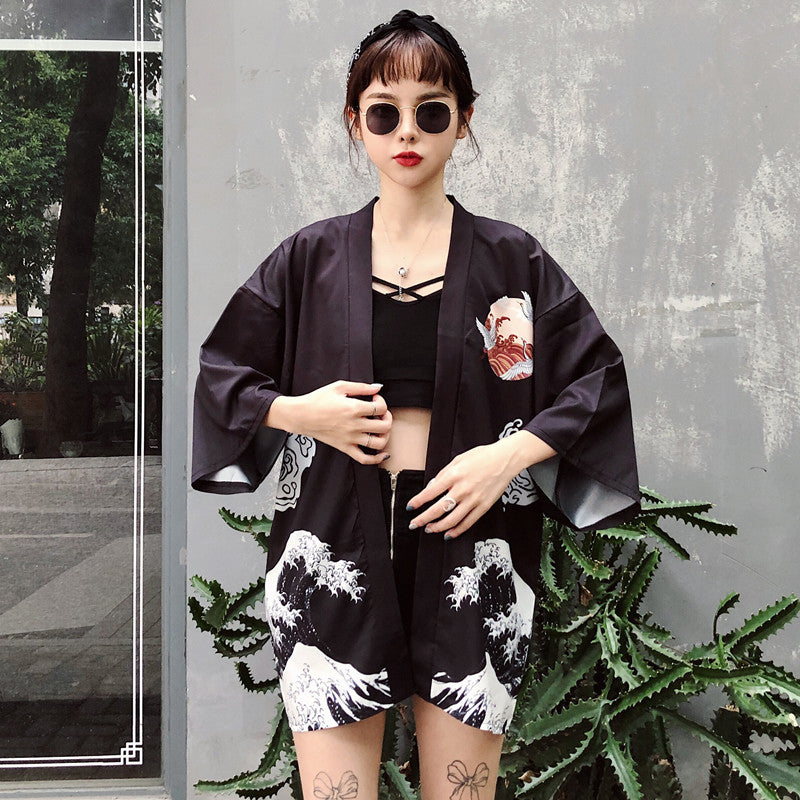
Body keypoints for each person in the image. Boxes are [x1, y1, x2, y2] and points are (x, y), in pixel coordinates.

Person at [192, 9, 640, 800]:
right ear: (354, 122)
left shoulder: (511, 261)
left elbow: (594, 378)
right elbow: (224, 372)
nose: (407, 131)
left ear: (464, 120)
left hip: (474, 548)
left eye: (432, 111)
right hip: (331, 546)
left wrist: (506, 458)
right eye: (383, 112)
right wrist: (302, 414)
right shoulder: (310, 259)